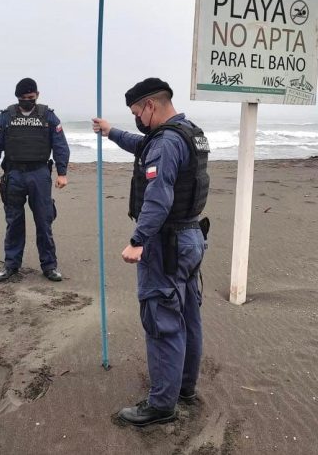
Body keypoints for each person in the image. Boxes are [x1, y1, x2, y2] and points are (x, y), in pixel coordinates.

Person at [92, 77, 210, 426]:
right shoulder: (188, 131)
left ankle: (161, 406)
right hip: (191, 238)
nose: (136, 120)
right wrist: (110, 131)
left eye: (136, 113)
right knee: (187, 316)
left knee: (162, 321)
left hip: (165, 243)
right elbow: (144, 144)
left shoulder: (167, 142)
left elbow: (159, 197)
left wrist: (138, 240)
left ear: (151, 106)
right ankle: (184, 389)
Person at [0, 77, 70, 282]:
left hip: (39, 174)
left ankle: (49, 266)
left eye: (30, 97)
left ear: (37, 95)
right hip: (13, 174)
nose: (27, 101)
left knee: (44, 220)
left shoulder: (48, 116)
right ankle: (11, 265)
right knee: (13, 221)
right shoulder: (6, 117)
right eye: (23, 98)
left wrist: (62, 172)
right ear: (17, 98)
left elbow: (60, 145)